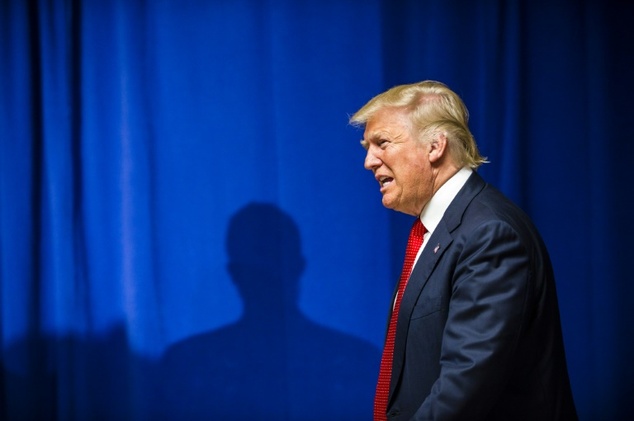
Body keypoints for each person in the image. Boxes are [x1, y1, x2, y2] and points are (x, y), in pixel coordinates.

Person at [350, 80, 577, 420]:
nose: (369, 161)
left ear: (434, 147)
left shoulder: (489, 232)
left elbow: (467, 381)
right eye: (367, 146)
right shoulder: (439, 230)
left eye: (382, 142)